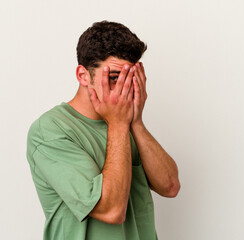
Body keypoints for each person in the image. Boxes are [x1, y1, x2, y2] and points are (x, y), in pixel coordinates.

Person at [26, 20, 180, 240]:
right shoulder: (50, 131)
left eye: (131, 78)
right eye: (115, 78)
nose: (125, 88)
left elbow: (170, 186)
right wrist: (118, 124)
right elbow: (112, 210)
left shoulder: (126, 121)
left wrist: (135, 122)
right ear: (83, 76)